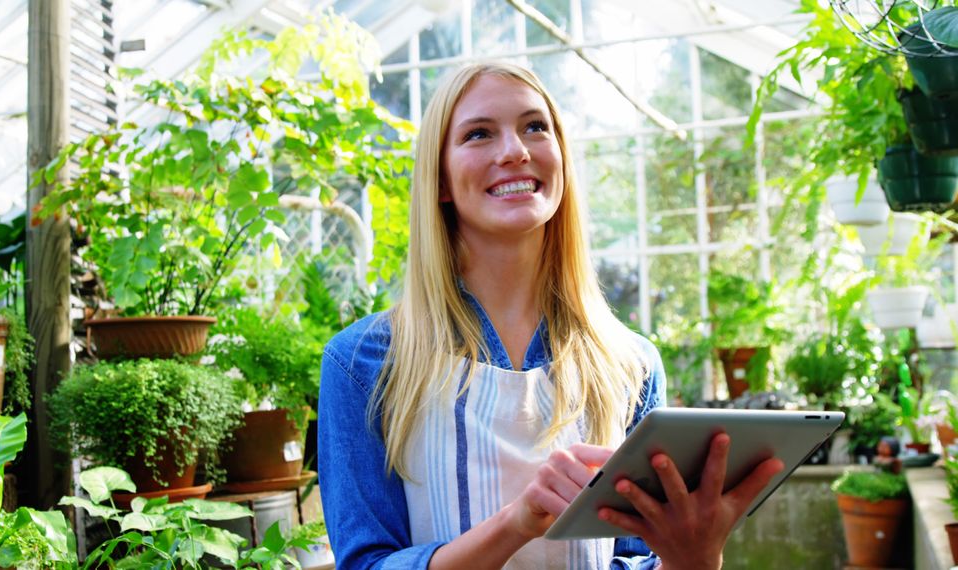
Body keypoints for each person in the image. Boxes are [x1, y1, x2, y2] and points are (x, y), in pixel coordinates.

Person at [317, 61, 784, 569]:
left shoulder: (630, 365)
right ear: (441, 181)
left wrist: (695, 557)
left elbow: (637, 559)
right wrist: (517, 522)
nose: (516, 150)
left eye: (535, 127)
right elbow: (366, 563)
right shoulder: (364, 363)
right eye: (478, 133)